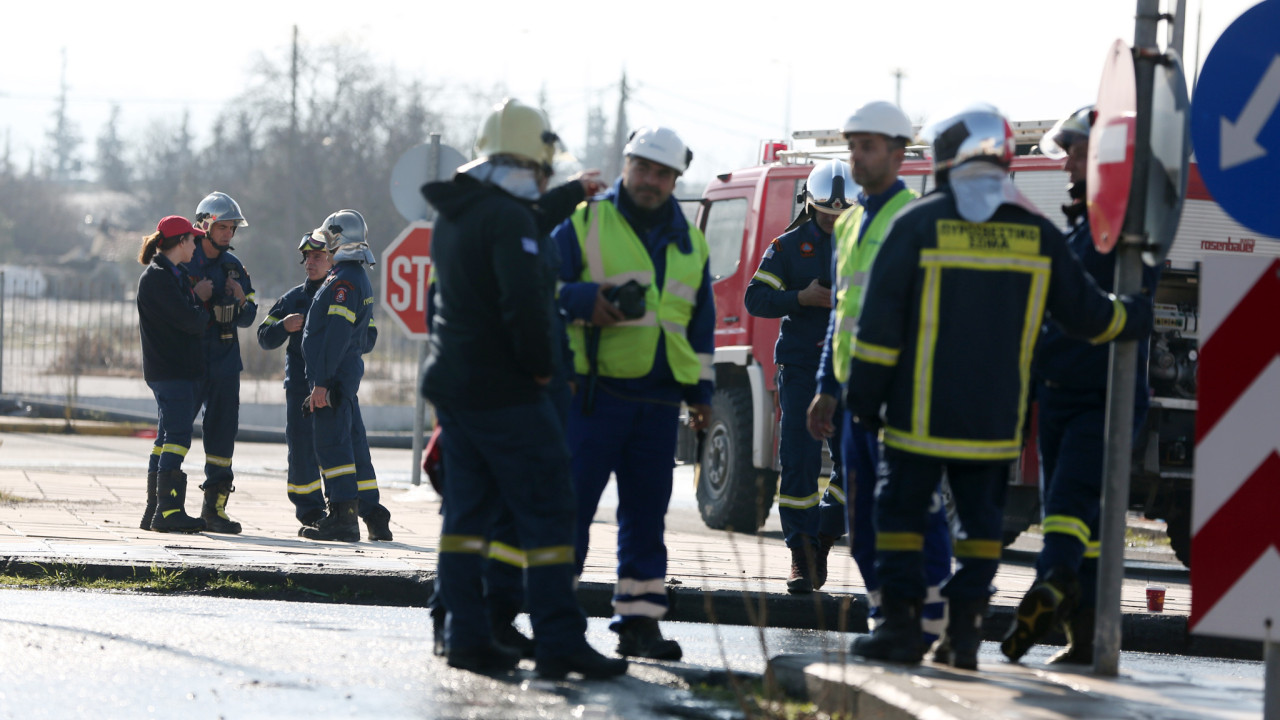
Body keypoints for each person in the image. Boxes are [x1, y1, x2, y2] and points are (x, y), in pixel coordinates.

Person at [844, 106, 1151, 670]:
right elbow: (1086, 316)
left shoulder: (917, 224)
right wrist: (1132, 316)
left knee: (901, 517)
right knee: (982, 529)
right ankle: (964, 637)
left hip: (918, 416)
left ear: (944, 157)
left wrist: (863, 400)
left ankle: (902, 629)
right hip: (995, 423)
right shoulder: (1036, 231)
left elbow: (879, 330)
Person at [421, 98, 627, 679]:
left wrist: (570, 194)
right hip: (507, 392)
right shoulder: (507, 218)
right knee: (549, 510)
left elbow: (521, 224)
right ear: (531, 162)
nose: (544, 181)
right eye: (544, 171)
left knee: (468, 517)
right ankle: (561, 639)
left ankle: (466, 636)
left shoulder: (460, 211)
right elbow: (524, 306)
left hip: (457, 390)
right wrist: (542, 369)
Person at [1001, 106, 1161, 665]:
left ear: (1105, 159)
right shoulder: (1077, 231)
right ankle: (1084, 636)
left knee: (1069, 502)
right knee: (1080, 516)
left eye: (1075, 152)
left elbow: (1119, 308)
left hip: (1104, 398)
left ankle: (1053, 581)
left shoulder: (1126, 232)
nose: (1065, 162)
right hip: (1060, 392)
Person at [553, 125, 715, 661]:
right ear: (626, 165)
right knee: (570, 510)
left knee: (647, 516)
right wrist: (580, 298)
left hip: (660, 400)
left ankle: (640, 624)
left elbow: (699, 324)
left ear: (675, 179)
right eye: (643, 168)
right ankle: (558, 619)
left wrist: (702, 392)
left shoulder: (691, 242)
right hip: (592, 395)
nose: (651, 180)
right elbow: (537, 285)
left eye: (663, 173)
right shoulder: (583, 220)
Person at [807, 101, 954, 649]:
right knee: (863, 521)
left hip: (902, 398)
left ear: (898, 154)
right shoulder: (847, 227)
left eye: (868, 146)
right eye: (852, 146)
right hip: (851, 400)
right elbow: (842, 312)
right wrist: (826, 386)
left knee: (915, 512)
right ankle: (885, 618)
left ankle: (933, 623)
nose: (856, 157)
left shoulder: (913, 220)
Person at [745, 159, 852, 594]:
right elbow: (756, 298)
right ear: (810, 204)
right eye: (825, 213)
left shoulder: (868, 244)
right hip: (802, 368)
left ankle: (824, 534)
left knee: (857, 462)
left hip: (850, 366)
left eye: (840, 215)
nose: (832, 221)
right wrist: (800, 298)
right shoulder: (788, 247)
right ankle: (802, 554)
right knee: (800, 461)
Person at [257, 233, 385, 535]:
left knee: (348, 446)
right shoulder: (293, 298)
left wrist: (336, 343)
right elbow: (263, 336)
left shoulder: (343, 289)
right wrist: (283, 326)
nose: (310, 263)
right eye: (307, 257)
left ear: (333, 257)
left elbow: (369, 337)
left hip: (333, 385)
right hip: (302, 389)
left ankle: (369, 510)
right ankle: (312, 510)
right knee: (303, 449)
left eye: (318, 256)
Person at [297, 210, 393, 542]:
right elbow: (363, 335)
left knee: (332, 446)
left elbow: (336, 334)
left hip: (334, 379)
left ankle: (342, 517)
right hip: (344, 376)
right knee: (352, 446)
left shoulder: (343, 282)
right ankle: (371, 515)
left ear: (338, 239)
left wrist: (321, 382)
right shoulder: (354, 275)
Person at [185, 191, 257, 534]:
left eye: (232, 228)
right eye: (223, 227)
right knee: (176, 430)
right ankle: (165, 507)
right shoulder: (187, 261)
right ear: (205, 226)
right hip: (191, 361)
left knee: (222, 435)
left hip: (226, 362)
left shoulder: (235, 267)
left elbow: (248, 318)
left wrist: (241, 299)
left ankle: (214, 509)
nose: (229, 233)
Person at [137, 216, 213, 534]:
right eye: (192, 240)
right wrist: (204, 304)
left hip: (169, 370)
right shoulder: (158, 278)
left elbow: (180, 313)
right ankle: (169, 511)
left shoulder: (169, 275)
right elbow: (189, 321)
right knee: (178, 438)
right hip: (172, 371)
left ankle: (155, 509)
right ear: (180, 242)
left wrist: (193, 298)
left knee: (165, 439)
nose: (195, 246)